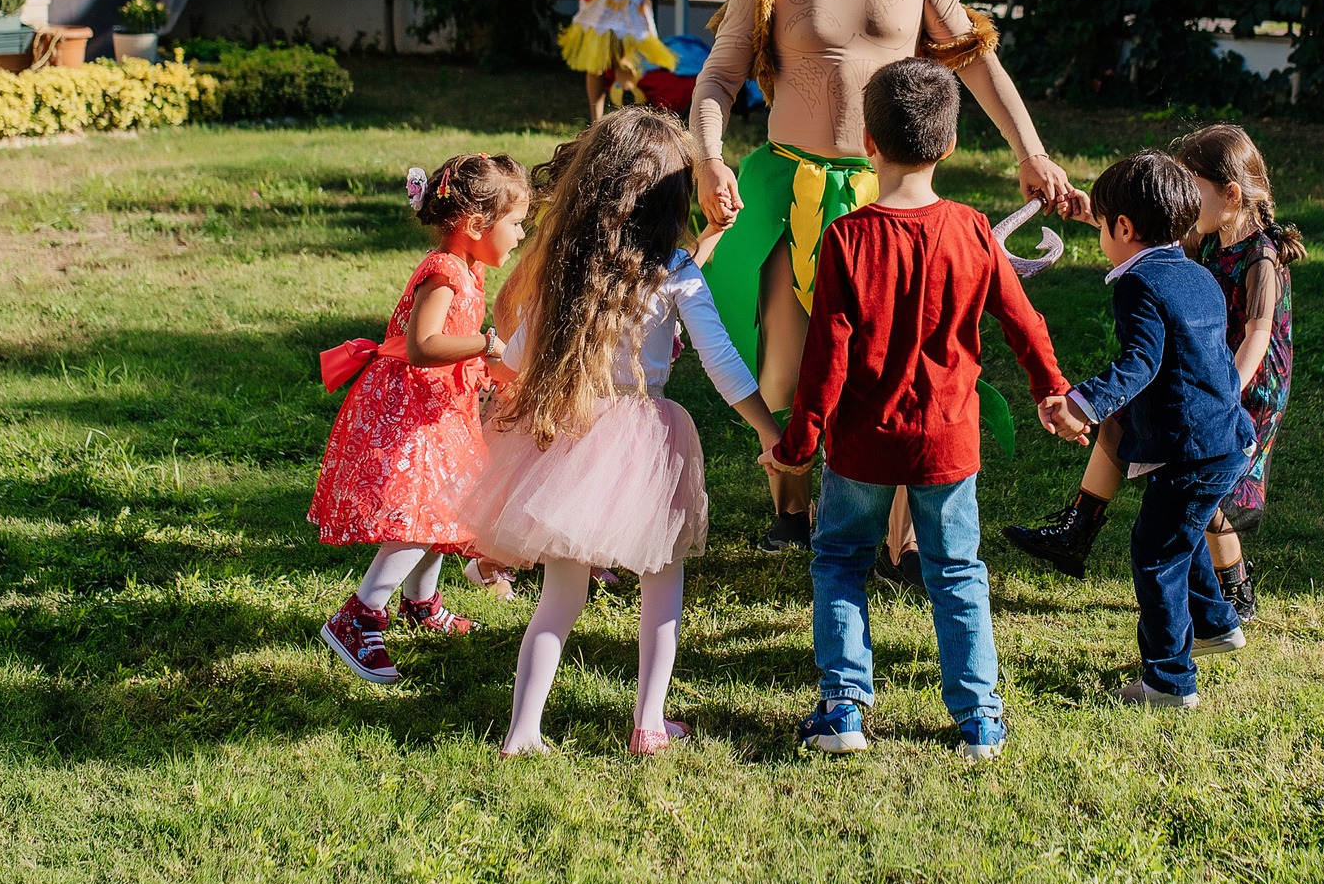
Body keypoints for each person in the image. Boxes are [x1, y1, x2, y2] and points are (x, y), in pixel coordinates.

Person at [692, 0, 1088, 553]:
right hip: (787, 191)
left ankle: (903, 539)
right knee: (785, 365)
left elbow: (976, 61)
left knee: (903, 362)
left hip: (892, 194)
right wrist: (708, 157)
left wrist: (1033, 154)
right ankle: (790, 511)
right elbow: (719, 75)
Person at [763, 59, 1071, 761]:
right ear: (953, 141)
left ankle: (842, 706)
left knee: (840, 558)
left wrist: (798, 441)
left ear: (867, 142)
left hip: (862, 446)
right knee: (957, 570)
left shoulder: (845, 237)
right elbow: (1026, 324)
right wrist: (1051, 387)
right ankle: (980, 718)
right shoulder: (972, 232)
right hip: (948, 445)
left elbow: (825, 360)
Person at [455, 106, 786, 756]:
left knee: (561, 593)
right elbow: (721, 362)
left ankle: (523, 731)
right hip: (647, 439)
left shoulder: (569, 266)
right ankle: (649, 723)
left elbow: (517, 357)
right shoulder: (675, 272)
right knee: (663, 578)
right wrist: (769, 431)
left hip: (571, 432)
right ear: (672, 198)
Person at [1004, 124, 1307, 619]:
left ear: (1230, 194)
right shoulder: (1205, 235)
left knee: (1203, 490)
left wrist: (1225, 392)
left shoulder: (1261, 257)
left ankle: (1234, 586)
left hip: (1238, 384)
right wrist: (1096, 214)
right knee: (1123, 421)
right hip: (1195, 366)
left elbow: (1257, 333)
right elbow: (1148, 236)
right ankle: (1081, 525)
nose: (1182, 202)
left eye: (1192, 189)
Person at [1039, 151, 1253, 709]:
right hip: (1223, 438)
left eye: (1105, 225)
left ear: (1125, 228)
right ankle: (1216, 624)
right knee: (1181, 534)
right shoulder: (1197, 274)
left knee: (1156, 552)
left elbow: (1140, 363)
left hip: (1192, 449)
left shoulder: (1138, 286)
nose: (1102, 235)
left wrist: (1082, 405)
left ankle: (1169, 681)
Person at [311, 154, 531, 684]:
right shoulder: (445, 272)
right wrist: (484, 344)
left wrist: (496, 369)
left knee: (446, 507)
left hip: (438, 407)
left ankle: (421, 603)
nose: (521, 234)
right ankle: (358, 615)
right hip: (412, 409)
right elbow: (423, 344)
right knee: (420, 513)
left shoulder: (469, 268)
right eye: (516, 222)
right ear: (477, 225)